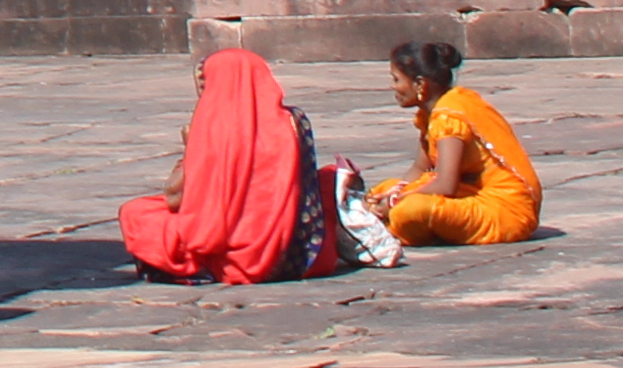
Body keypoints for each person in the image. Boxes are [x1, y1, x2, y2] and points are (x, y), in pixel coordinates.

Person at [117, 44, 354, 282]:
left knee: (136, 212)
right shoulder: (295, 121)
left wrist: (190, 150)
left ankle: (196, 267)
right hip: (301, 255)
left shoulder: (211, 130)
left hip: (234, 258)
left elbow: (176, 197)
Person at [372, 39, 541, 248]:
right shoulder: (430, 114)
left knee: (409, 211)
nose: (393, 86)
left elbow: (445, 184)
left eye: (396, 79)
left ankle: (388, 227)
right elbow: (419, 168)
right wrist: (392, 193)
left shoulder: (449, 115)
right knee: (381, 189)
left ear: (420, 85)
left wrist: (395, 202)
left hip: (505, 209)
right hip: (470, 194)